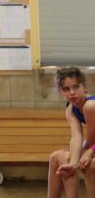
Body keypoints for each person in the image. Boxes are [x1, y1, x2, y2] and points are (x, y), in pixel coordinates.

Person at [48, 67, 95, 198]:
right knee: (57, 158)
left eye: (76, 87)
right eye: (66, 89)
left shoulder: (90, 106)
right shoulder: (70, 109)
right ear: (60, 91)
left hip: (93, 148)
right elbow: (76, 136)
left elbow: (90, 141)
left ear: (84, 87)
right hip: (92, 147)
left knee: (89, 164)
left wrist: (89, 152)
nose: (72, 93)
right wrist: (73, 163)